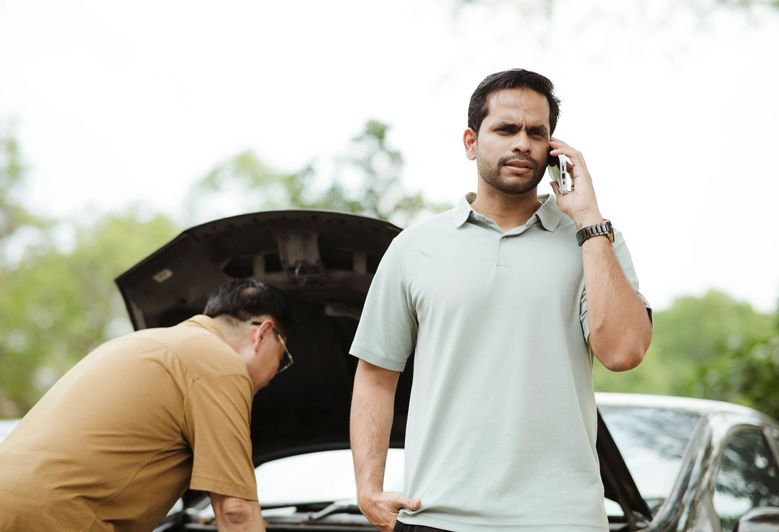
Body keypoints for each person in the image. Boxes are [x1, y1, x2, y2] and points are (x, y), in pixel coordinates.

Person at [349, 69, 653, 532]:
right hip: (438, 517)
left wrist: (590, 221)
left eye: (537, 133)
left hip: (563, 521)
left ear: (553, 149)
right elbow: (375, 373)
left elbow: (624, 352)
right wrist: (368, 488)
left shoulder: (596, 242)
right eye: (506, 129)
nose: (523, 143)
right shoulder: (415, 247)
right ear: (471, 142)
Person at [0, 278, 293, 531]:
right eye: (283, 358)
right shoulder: (219, 364)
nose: (276, 371)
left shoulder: (134, 343)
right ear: (263, 333)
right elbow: (236, 511)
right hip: (52, 520)